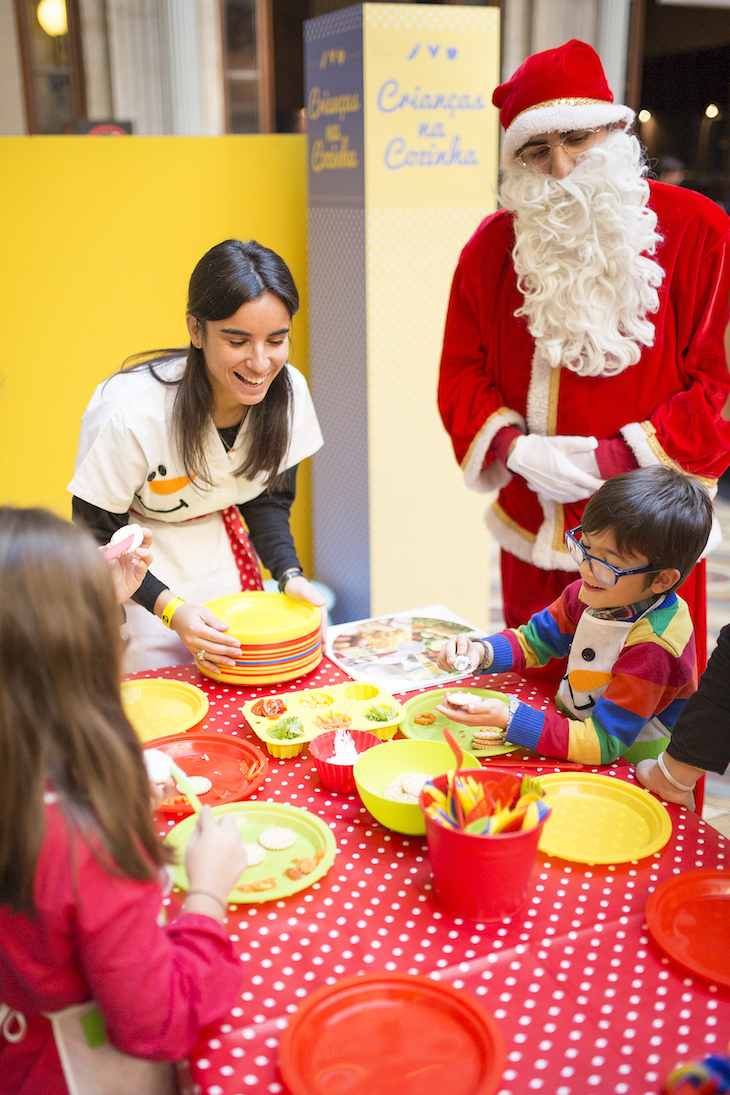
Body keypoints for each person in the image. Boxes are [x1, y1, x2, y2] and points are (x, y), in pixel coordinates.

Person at [438, 39, 730, 686]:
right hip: (538, 523)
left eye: (577, 138)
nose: (562, 167)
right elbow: (460, 372)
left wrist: (614, 461)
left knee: (646, 706)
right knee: (537, 699)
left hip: (650, 538)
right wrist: (518, 451)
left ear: (614, 129)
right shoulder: (489, 250)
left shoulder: (702, 233)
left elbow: (722, 387)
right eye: (536, 151)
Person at [0, 508, 249, 1095]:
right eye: (110, 627)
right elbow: (158, 1023)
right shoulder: (91, 843)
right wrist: (209, 892)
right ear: (86, 660)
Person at [69, 239, 325, 673]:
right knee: (158, 701)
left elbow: (266, 500)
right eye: (238, 341)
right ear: (196, 330)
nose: (261, 363)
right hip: (138, 572)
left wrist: (288, 574)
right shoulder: (131, 413)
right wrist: (170, 609)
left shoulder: (289, 393)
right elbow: (95, 535)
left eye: (276, 340)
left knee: (236, 683)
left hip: (221, 557)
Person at [436, 466, 712, 765]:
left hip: (628, 763)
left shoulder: (655, 648)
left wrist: (512, 719)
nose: (585, 569)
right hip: (572, 733)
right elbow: (533, 640)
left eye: (609, 563)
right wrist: (481, 651)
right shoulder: (593, 590)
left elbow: (604, 743)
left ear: (661, 580)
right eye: (586, 548)